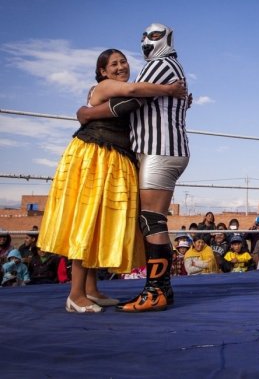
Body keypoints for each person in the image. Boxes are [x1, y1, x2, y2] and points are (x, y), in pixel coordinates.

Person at [39, 48, 186, 313]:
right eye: (114, 64)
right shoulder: (105, 87)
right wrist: (169, 90)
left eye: (123, 62)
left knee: (100, 223)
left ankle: (91, 289)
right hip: (96, 156)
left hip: (114, 159)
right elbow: (130, 96)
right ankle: (75, 294)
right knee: (88, 222)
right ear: (102, 72)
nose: (120, 67)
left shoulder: (124, 89)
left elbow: (136, 103)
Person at [79, 24, 190, 313]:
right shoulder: (163, 67)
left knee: (152, 220)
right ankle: (159, 290)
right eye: (143, 36)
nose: (145, 41)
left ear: (167, 38)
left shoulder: (161, 64)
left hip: (160, 149)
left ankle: (157, 292)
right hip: (159, 149)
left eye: (153, 35)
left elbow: (132, 98)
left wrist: (87, 112)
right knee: (151, 219)